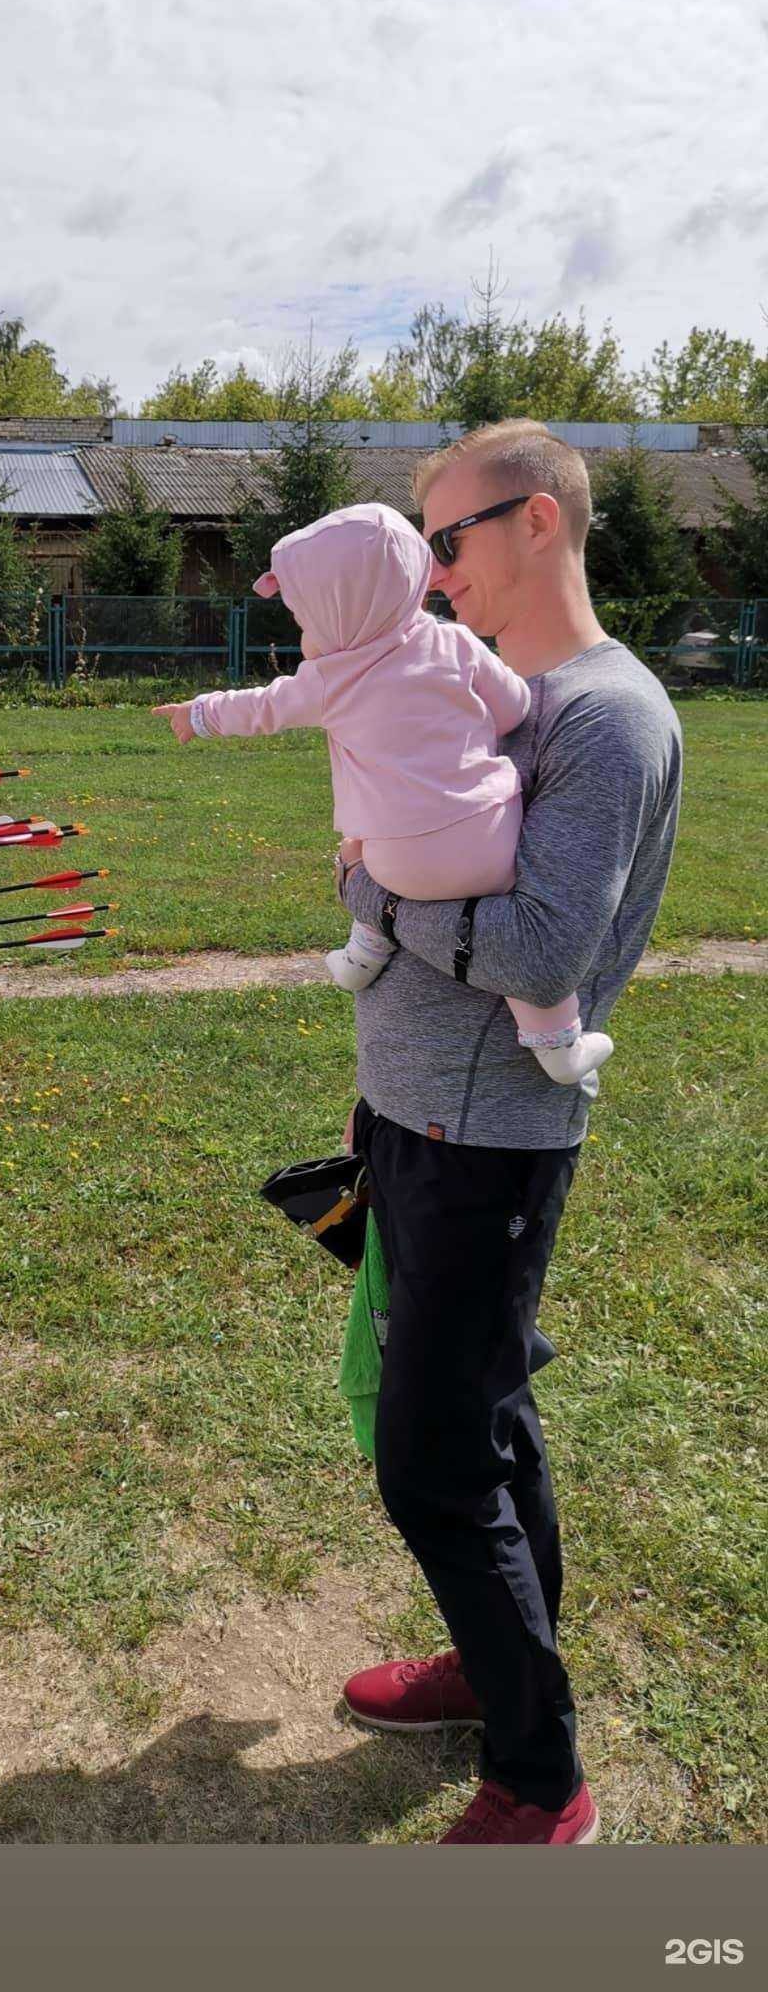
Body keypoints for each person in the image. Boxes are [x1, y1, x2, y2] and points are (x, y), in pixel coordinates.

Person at [333, 420, 682, 1844]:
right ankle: (493, 1669)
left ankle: (545, 1782)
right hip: (419, 1119)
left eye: (448, 539)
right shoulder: (496, 694)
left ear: (538, 520)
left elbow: (541, 951)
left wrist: (375, 894)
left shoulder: (604, 718)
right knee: (485, 1416)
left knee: (430, 1459)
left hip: (491, 1145)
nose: (430, 574)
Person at [152, 502, 613, 1087]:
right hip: (487, 845)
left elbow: (261, 706)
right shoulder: (455, 643)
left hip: (395, 861)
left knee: (360, 851)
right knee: (509, 926)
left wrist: (198, 713)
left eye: (306, 618)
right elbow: (516, 706)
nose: (304, 632)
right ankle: (557, 1045)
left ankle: (362, 955)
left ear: (338, 611)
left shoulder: (331, 678)